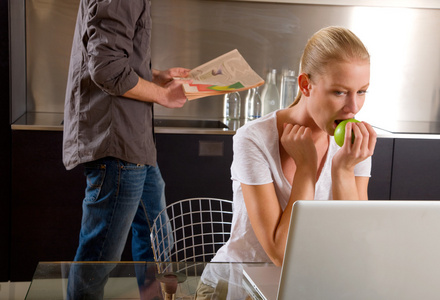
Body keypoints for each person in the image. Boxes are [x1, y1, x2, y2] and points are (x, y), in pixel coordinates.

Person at [210, 26, 377, 267]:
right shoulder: (254, 139)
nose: (353, 107)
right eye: (339, 92)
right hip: (240, 284)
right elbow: (281, 254)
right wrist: (306, 168)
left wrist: (343, 170)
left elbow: (353, 243)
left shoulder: (354, 145)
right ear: (306, 85)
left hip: (306, 284)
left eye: (361, 91)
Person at [62, 0, 189, 298]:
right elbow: (107, 70)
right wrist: (163, 95)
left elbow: (115, 56)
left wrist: (153, 75)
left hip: (134, 143)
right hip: (117, 143)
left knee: (156, 240)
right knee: (99, 256)